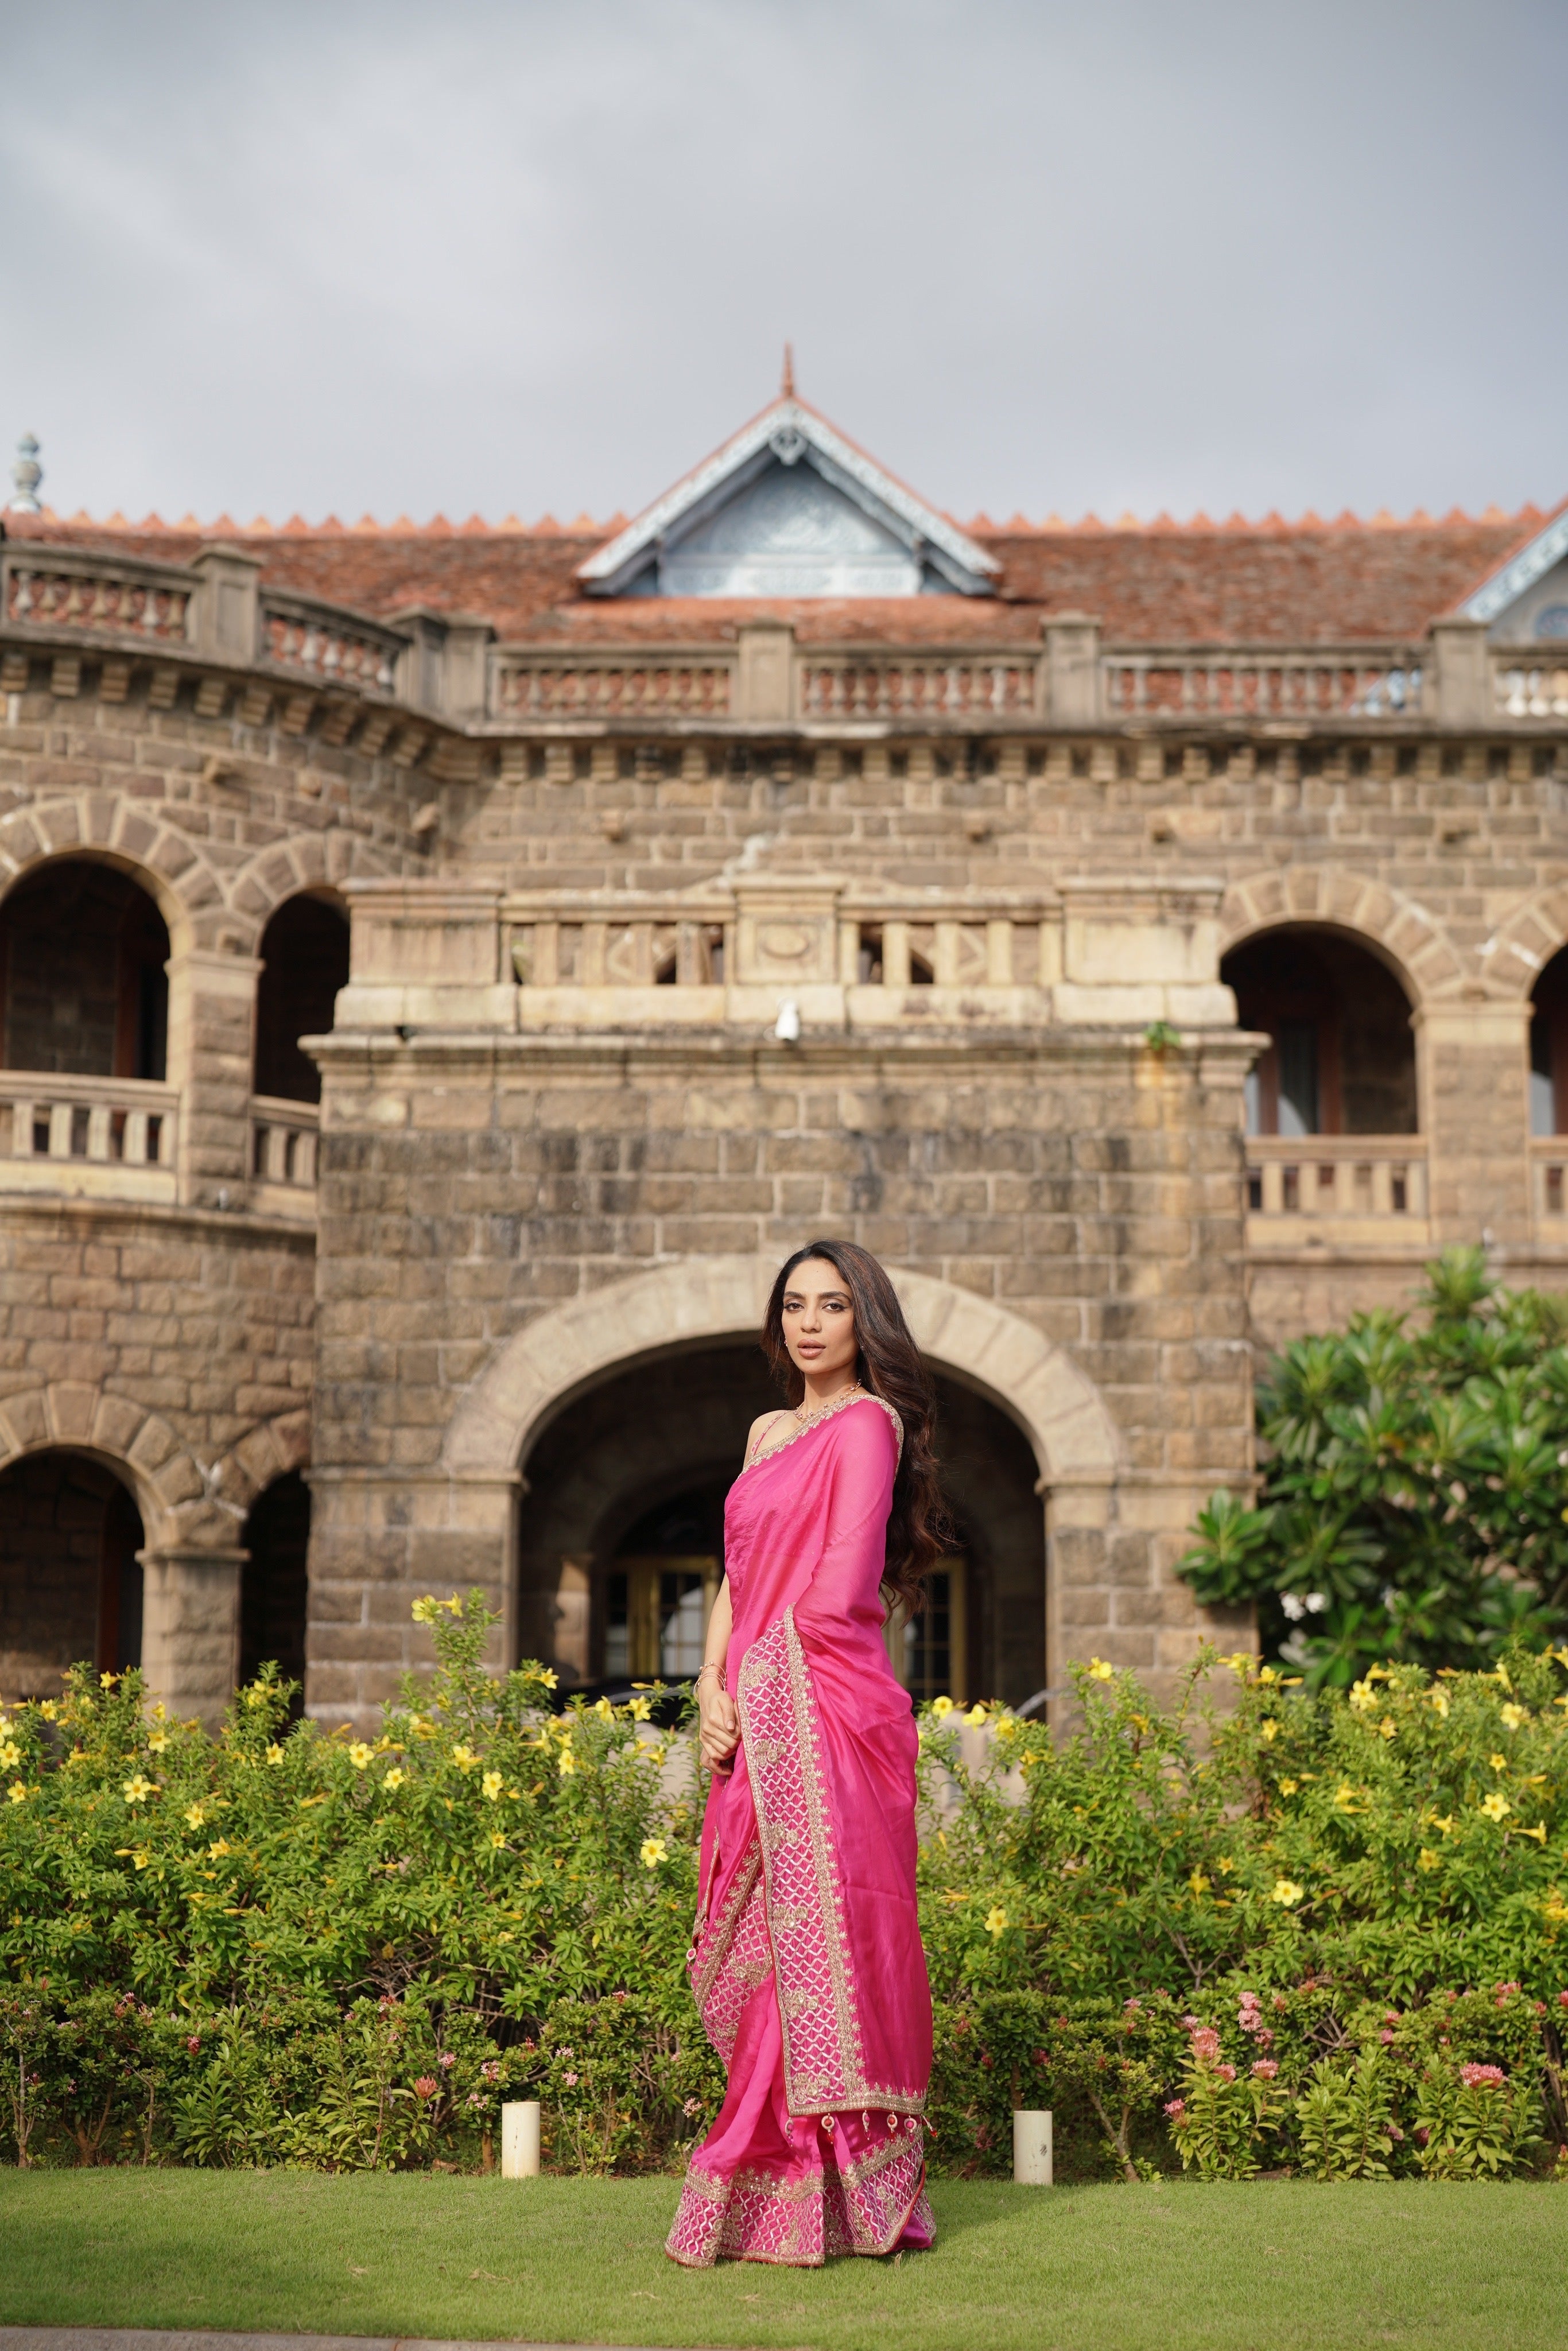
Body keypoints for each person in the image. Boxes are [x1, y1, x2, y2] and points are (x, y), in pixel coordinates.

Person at [665, 1239, 945, 2268]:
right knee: (755, 1946)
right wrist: (709, 1684)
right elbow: (735, 1572)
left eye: (832, 1305)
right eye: (795, 1305)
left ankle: (804, 2180)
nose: (811, 1323)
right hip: (755, 1704)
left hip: (824, 1709)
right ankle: (781, 2178)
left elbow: (840, 1582)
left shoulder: (870, 1424)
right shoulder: (765, 1430)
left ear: (862, 1320)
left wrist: (763, 1687)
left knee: (813, 1947)